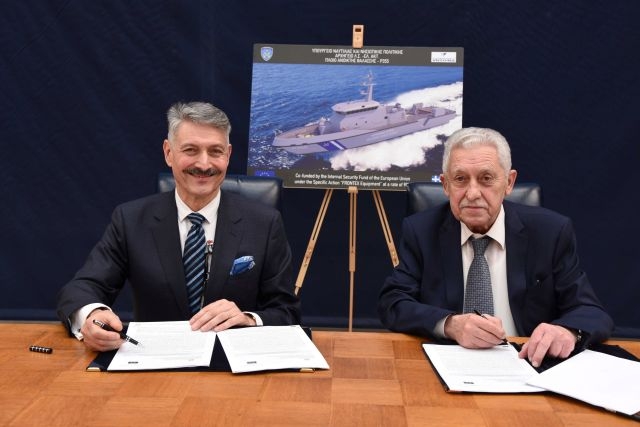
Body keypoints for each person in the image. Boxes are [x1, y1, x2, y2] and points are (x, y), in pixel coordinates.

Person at [57, 101, 300, 351]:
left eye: (215, 151)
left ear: (228, 155)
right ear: (168, 153)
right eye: (191, 150)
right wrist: (91, 315)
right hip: (152, 360)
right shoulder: (130, 220)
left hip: (232, 362)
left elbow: (286, 312)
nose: (204, 164)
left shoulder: (265, 223)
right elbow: (82, 288)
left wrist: (248, 319)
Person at [378, 127, 613, 368]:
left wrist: (567, 331)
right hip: (449, 362)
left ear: (509, 182)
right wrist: (450, 324)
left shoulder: (550, 232)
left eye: (486, 178)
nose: (472, 193)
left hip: (528, 364)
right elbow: (393, 303)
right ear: (445, 185)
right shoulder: (421, 231)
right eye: (460, 179)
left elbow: (590, 311)